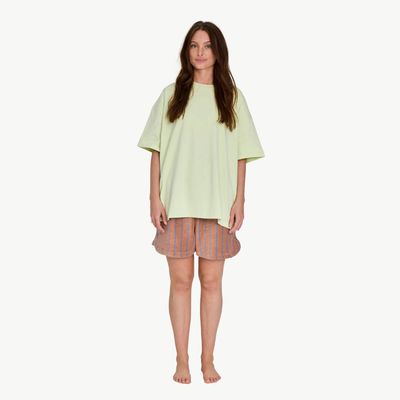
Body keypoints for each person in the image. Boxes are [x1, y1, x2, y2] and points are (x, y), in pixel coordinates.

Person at [137, 21, 265, 384]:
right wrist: (154, 197)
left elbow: (241, 154)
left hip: (218, 204)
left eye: (207, 46)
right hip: (176, 202)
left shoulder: (233, 98)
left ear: (218, 52)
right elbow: (156, 150)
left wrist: (240, 200)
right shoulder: (170, 95)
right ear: (186, 51)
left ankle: (208, 358)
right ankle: (182, 359)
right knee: (180, 282)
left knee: (211, 282)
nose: (200, 52)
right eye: (194, 45)